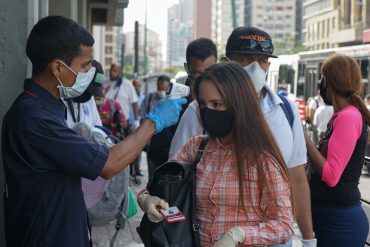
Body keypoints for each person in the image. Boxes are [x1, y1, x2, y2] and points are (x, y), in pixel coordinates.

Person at [2, 15, 186, 247]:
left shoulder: (47, 109)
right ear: (58, 67)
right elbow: (108, 165)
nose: (91, 71)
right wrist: (153, 121)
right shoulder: (33, 119)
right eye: (84, 65)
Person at [170, 27, 316, 247]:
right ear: (226, 61)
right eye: (246, 59)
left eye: (262, 60)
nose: (255, 68)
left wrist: (308, 238)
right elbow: (173, 180)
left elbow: (296, 177)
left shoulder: (286, 111)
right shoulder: (197, 114)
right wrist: (153, 201)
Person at [138, 62, 294, 246]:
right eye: (203, 104)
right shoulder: (195, 147)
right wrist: (147, 200)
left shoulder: (263, 159)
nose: (208, 111)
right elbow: (155, 189)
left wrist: (239, 235)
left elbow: (284, 225)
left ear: (239, 104)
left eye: (217, 104)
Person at [305, 54, 370, 246]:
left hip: (339, 225)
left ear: (329, 82)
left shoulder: (348, 117)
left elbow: (332, 175)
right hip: (331, 220)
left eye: (323, 78)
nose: (321, 83)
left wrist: (306, 142)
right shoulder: (341, 116)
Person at [169, 38, 218, 158]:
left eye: (209, 73)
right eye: (197, 76)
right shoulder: (173, 104)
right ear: (187, 68)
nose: (204, 81)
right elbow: (158, 150)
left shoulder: (225, 102)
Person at [64, 59, 103, 128]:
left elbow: (98, 126)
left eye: (92, 92)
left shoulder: (89, 99)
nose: (89, 94)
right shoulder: (58, 96)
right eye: (87, 89)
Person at [104, 63, 139, 133]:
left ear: (120, 72)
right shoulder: (104, 83)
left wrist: (136, 120)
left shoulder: (127, 84)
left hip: (122, 122)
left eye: (115, 71)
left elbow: (134, 102)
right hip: (107, 121)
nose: (111, 73)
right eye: (111, 70)